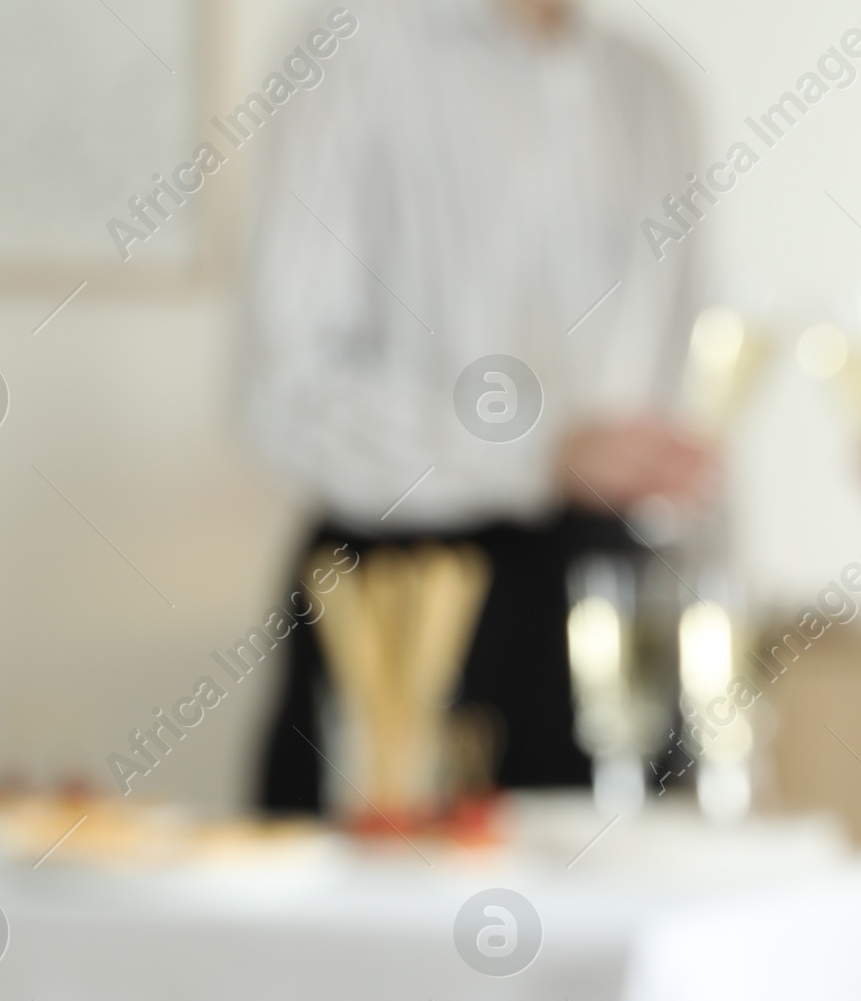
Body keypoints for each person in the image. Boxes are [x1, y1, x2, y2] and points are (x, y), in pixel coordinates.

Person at [241, 0, 713, 812]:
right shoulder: (355, 49)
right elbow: (282, 393)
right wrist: (538, 453)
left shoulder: (655, 89)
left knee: (630, 915)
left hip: (614, 597)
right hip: (401, 595)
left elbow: (687, 406)